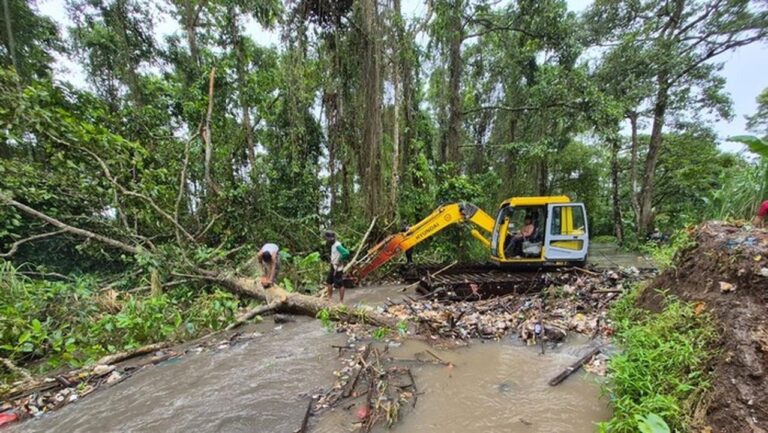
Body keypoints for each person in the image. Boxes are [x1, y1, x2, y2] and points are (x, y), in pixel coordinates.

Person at [324, 231, 350, 302]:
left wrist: (340, 260)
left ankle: (341, 301)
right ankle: (330, 298)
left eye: (328, 239)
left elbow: (346, 253)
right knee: (328, 282)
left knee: (340, 284)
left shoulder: (337, 245)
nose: (327, 241)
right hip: (333, 266)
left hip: (337, 268)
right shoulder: (333, 245)